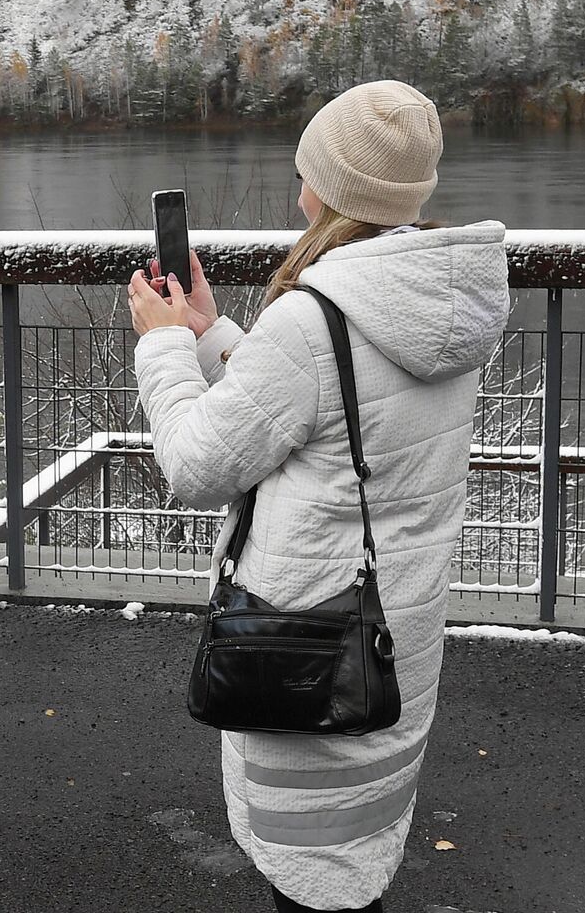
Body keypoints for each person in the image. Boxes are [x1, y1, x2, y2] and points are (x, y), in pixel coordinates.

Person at [126, 81, 510, 913]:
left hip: (304, 639)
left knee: (311, 882)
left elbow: (197, 463)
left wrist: (161, 346)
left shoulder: (314, 316)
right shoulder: (437, 299)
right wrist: (211, 334)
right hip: (388, 632)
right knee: (351, 860)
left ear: (331, 186)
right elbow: (327, 409)